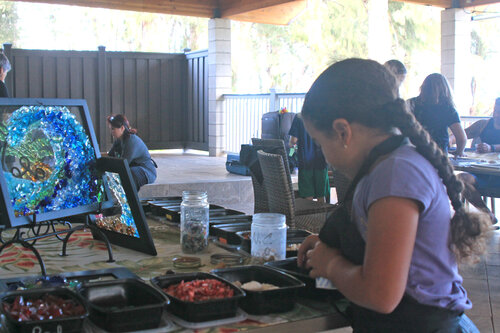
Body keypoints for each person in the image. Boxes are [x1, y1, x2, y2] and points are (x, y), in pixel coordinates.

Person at [297, 58, 490, 332]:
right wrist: (329, 244)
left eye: (320, 143)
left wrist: (331, 264)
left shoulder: (395, 174)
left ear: (343, 132)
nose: (324, 156)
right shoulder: (385, 167)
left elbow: (381, 295)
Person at [457, 97, 500, 223]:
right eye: (496, 110)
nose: (497, 114)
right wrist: (451, 141)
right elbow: (461, 135)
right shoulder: (484, 125)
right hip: (482, 173)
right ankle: (487, 214)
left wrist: (491, 148)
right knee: (461, 179)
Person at [408, 73, 467, 155]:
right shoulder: (448, 109)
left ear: (423, 87)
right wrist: (459, 152)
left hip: (413, 152)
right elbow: (462, 138)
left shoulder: (411, 103)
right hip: (438, 155)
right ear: (445, 89)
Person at [107, 114, 157, 191]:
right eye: (111, 129)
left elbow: (123, 164)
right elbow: (110, 158)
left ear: (122, 128)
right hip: (132, 168)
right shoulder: (118, 141)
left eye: (113, 129)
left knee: (127, 174)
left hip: (146, 172)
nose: (112, 132)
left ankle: (132, 201)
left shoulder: (131, 141)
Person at [288, 113, 330, 203]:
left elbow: (293, 141)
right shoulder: (325, 117)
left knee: (308, 194)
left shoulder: (299, 118)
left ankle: (309, 216)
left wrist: (292, 146)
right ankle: (321, 215)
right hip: (321, 160)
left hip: (305, 161)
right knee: (321, 194)